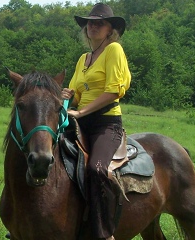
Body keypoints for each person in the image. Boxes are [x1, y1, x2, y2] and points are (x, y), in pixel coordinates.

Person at [62, 3, 131, 240]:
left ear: (110, 29)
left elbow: (114, 91)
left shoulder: (113, 50)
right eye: (90, 22)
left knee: (96, 169)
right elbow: (76, 93)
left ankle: (104, 233)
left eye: (99, 22)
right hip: (80, 123)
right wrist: (67, 96)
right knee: (44, 154)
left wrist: (82, 112)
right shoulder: (84, 58)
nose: (93, 26)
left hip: (106, 123)